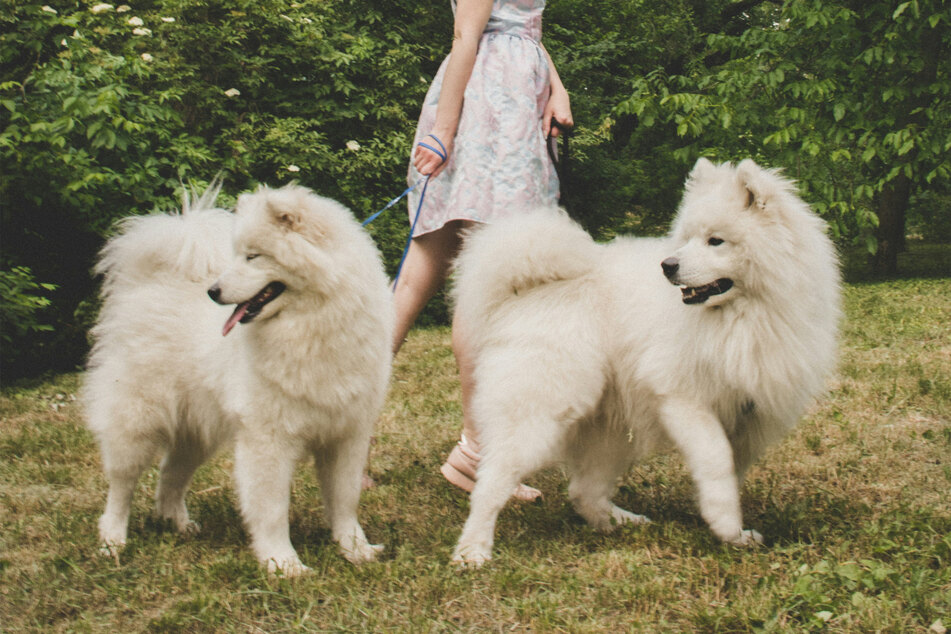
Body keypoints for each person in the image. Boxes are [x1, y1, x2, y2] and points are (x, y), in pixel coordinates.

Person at [394, 0, 573, 501]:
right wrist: (445, 132)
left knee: (425, 272)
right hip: (487, 114)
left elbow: (521, 27)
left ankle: (358, 438)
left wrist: (556, 86)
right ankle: (477, 452)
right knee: (478, 281)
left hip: (512, 102)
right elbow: (465, 37)